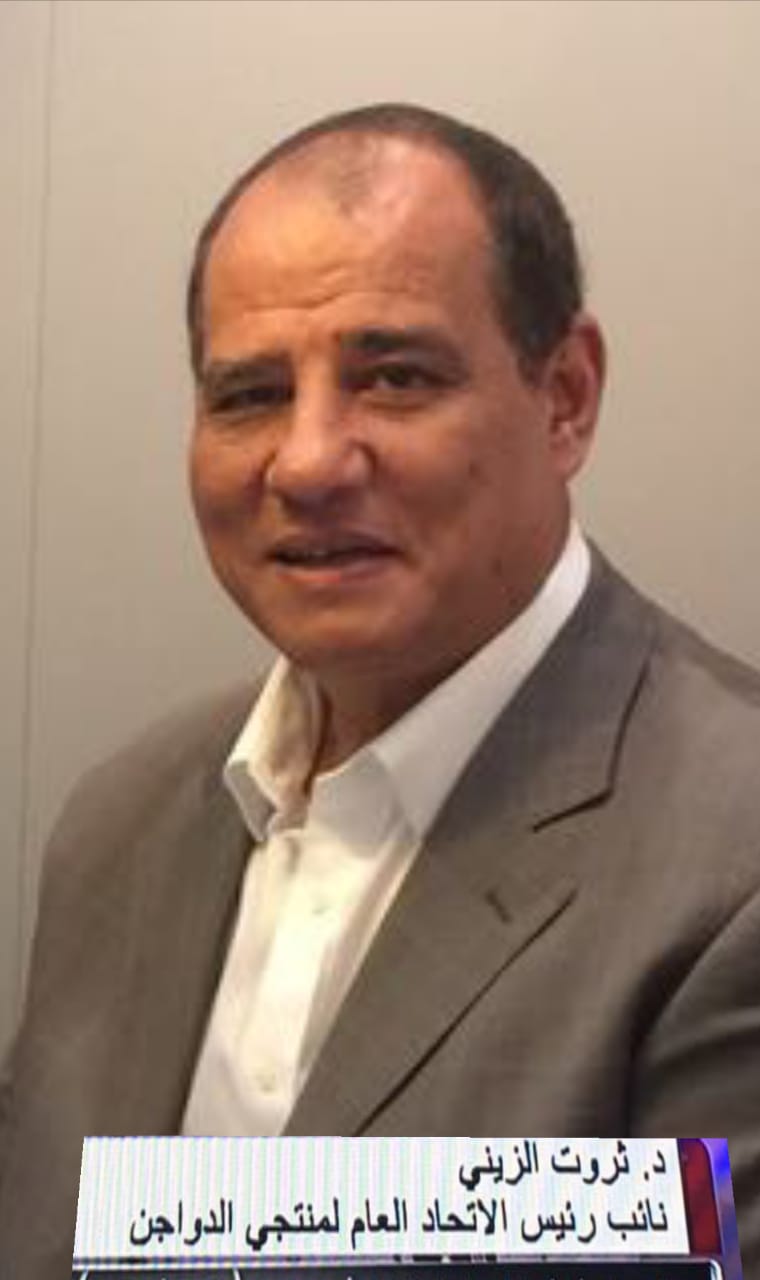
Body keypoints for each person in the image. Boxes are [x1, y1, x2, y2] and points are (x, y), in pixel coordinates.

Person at [1, 103, 760, 1280]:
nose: (307, 460)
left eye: (395, 376)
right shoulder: (119, 821)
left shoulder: (729, 866)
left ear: (564, 395)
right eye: (248, 393)